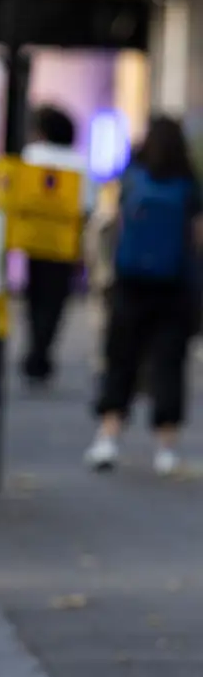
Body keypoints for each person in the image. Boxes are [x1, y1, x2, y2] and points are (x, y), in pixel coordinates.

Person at [86, 114, 203, 475]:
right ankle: (166, 449)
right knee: (168, 365)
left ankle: (107, 438)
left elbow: (114, 224)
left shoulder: (133, 177)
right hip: (173, 288)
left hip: (131, 284)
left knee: (121, 360)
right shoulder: (188, 184)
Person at [20, 105, 91, 387]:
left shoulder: (32, 157)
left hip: (35, 238)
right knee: (55, 302)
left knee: (35, 298)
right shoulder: (79, 163)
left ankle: (35, 352)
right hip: (65, 243)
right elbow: (85, 208)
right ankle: (43, 351)